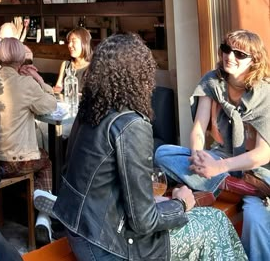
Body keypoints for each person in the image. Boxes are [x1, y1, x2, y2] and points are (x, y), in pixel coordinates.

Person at [44, 33, 247, 260]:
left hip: (81, 232)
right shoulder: (131, 124)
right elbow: (144, 221)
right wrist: (180, 203)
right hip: (112, 247)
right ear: (140, 73)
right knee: (214, 221)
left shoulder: (89, 111)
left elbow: (80, 175)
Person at [155, 29, 270, 261]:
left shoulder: (264, 93)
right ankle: (233, 186)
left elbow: (262, 154)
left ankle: (238, 186)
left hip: (255, 171)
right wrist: (198, 156)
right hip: (218, 160)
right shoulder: (212, 81)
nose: (230, 56)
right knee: (163, 153)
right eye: (226, 49)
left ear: (254, 60)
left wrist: (218, 168)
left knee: (256, 221)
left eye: (239, 54)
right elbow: (199, 127)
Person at [0, 37, 57, 246]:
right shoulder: (26, 83)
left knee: (37, 154)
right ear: (21, 58)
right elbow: (50, 105)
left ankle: (34, 216)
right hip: (17, 162)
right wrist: (38, 80)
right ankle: (43, 219)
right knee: (46, 160)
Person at [53, 27, 92, 94]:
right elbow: (58, 87)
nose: (69, 45)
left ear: (84, 43)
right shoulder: (66, 65)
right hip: (66, 103)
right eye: (69, 42)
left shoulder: (93, 67)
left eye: (74, 41)